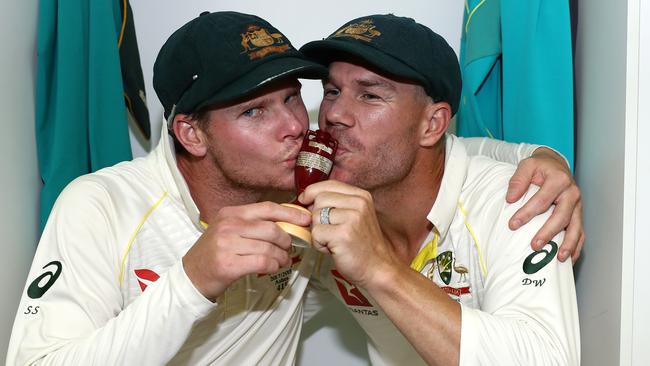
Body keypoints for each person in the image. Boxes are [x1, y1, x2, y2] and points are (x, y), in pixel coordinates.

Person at [7, 11, 579, 366]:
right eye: (256, 111)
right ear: (190, 133)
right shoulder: (101, 204)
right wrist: (189, 283)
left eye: (291, 98)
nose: (309, 123)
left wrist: (544, 158)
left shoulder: (321, 202)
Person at [299, 14, 580, 365]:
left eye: (369, 95)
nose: (335, 114)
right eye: (332, 91)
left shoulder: (516, 202)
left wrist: (380, 269)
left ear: (432, 125)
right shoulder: (322, 207)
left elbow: (547, 360)